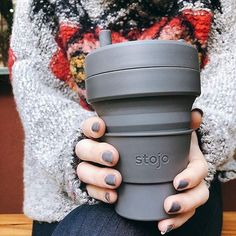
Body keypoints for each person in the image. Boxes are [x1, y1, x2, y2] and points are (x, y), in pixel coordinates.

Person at [9, 0, 235, 235]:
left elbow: (228, 79)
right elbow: (35, 87)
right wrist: (79, 151)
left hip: (189, 187)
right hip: (60, 195)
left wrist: (195, 138)